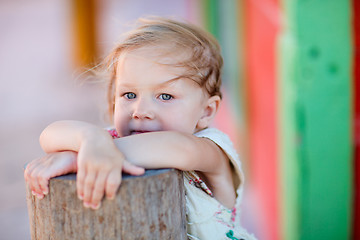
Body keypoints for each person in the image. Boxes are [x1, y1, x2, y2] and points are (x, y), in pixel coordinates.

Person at [24, 17, 256, 240]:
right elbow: (49, 135)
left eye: (165, 96)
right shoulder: (111, 142)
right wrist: (90, 140)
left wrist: (81, 157)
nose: (140, 110)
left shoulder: (210, 150)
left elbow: (176, 147)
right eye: (129, 94)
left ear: (206, 111)